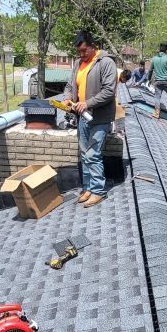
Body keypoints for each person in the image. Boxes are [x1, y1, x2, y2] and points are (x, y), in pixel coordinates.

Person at [63, 30, 118, 207]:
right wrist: (67, 98)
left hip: (100, 118)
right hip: (82, 117)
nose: (81, 54)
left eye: (84, 50)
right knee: (84, 154)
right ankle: (88, 188)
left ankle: (98, 191)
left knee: (93, 154)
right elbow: (70, 85)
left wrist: (87, 103)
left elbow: (109, 91)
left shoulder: (106, 62)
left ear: (93, 46)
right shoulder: (78, 64)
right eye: (79, 51)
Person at [148, 43, 167, 117]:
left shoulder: (154, 59)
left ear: (159, 49)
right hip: (166, 82)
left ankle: (157, 113)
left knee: (157, 97)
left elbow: (150, 70)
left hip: (157, 82)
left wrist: (149, 79)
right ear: (166, 50)